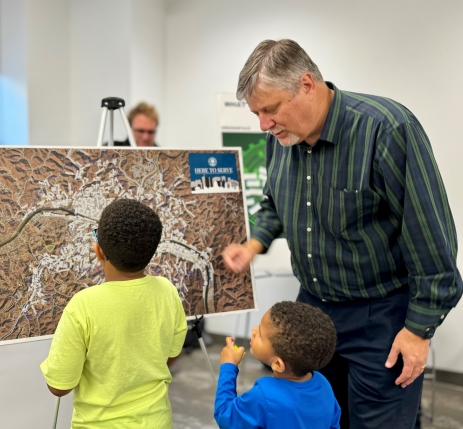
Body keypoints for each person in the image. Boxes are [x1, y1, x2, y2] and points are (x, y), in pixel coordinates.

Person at [222, 39, 463, 429]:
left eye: (269, 110)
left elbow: (430, 237)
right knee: (315, 420)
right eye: (256, 114)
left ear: (306, 85)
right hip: (313, 310)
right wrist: (254, 244)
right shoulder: (280, 140)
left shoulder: (386, 129)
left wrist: (419, 330)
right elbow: (274, 203)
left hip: (381, 316)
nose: (263, 125)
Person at [40, 199, 187, 428]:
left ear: (98, 250)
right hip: (157, 421)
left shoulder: (83, 305)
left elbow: (59, 386)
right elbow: (173, 352)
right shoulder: (167, 291)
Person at [214, 301, 340, 429]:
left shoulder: (264, 395)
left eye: (261, 335)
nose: (254, 330)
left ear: (278, 364)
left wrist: (228, 366)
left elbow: (225, 416)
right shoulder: (323, 384)